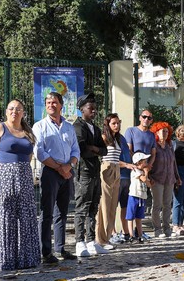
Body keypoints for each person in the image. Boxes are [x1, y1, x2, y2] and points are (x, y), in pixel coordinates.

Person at [0, 100, 40, 276]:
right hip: (3, 178)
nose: (14, 111)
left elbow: (30, 154)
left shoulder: (28, 132)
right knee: (5, 219)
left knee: (26, 218)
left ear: (23, 112)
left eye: (18, 109)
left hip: (24, 178)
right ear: (6, 111)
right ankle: (4, 259)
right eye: (11, 108)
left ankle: (26, 258)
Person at [33, 91, 80, 262]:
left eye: (54, 102)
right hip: (50, 172)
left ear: (61, 105)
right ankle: (45, 252)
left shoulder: (69, 127)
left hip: (68, 172)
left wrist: (69, 166)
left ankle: (60, 248)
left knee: (62, 212)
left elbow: (76, 150)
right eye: (48, 103)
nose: (51, 105)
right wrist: (59, 167)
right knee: (47, 212)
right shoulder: (39, 126)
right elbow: (39, 151)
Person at [73, 94, 104, 257]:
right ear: (82, 109)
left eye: (94, 108)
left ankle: (91, 241)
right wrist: (94, 149)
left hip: (95, 171)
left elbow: (104, 149)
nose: (94, 111)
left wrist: (96, 148)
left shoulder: (96, 128)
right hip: (83, 171)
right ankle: (80, 242)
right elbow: (81, 149)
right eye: (90, 108)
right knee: (82, 207)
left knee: (94, 206)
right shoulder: (78, 126)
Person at [96, 113, 132, 247]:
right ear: (108, 124)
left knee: (113, 206)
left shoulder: (118, 139)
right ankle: (101, 238)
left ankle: (108, 235)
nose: (117, 126)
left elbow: (118, 159)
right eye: (113, 123)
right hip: (107, 168)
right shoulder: (104, 137)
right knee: (104, 204)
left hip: (116, 169)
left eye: (118, 123)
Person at [149, 121, 181, 238]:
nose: (165, 133)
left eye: (167, 131)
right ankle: (157, 230)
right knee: (157, 205)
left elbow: (174, 164)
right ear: (156, 132)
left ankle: (167, 229)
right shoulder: (154, 146)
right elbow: (149, 163)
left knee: (167, 205)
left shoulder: (169, 146)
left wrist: (177, 177)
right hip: (157, 179)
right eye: (163, 131)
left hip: (169, 179)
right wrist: (149, 177)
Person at [126, 152, 152, 243]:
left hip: (142, 197)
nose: (146, 163)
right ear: (139, 162)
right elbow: (144, 179)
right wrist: (146, 173)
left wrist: (147, 175)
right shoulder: (135, 171)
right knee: (131, 216)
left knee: (139, 217)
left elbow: (148, 184)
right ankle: (131, 235)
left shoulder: (142, 172)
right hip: (134, 196)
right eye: (145, 161)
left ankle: (140, 235)